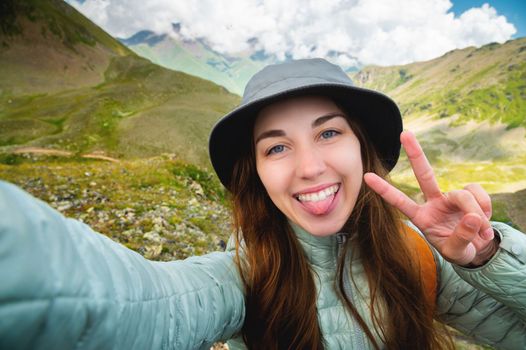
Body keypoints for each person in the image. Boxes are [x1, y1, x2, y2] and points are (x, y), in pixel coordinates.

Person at [0, 58, 525, 350]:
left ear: (363, 145)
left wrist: (487, 258)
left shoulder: (422, 258)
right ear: (256, 171)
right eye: (276, 146)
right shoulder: (245, 276)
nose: (308, 167)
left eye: (328, 133)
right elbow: (140, 305)